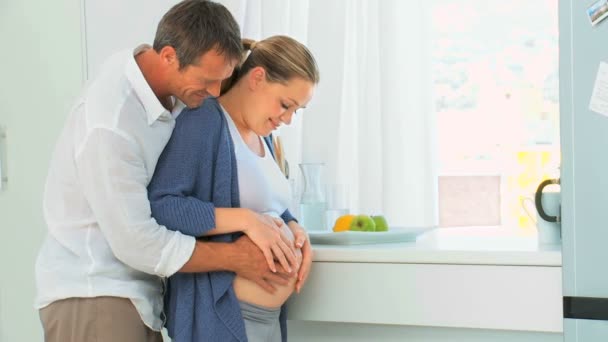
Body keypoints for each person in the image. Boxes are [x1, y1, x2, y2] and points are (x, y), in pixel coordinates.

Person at [35, 1, 295, 341]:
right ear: (169, 56)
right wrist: (235, 256)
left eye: (223, 80)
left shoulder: (169, 92)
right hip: (95, 294)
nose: (215, 92)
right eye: (208, 79)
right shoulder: (112, 123)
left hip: (139, 298)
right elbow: (136, 241)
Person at [147, 35, 319, 341]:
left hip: (267, 319)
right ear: (257, 78)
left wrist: (293, 225)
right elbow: (163, 205)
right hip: (226, 315)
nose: (288, 119)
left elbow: (268, 204)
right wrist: (245, 220)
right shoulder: (203, 120)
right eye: (285, 105)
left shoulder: (262, 134)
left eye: (297, 111)